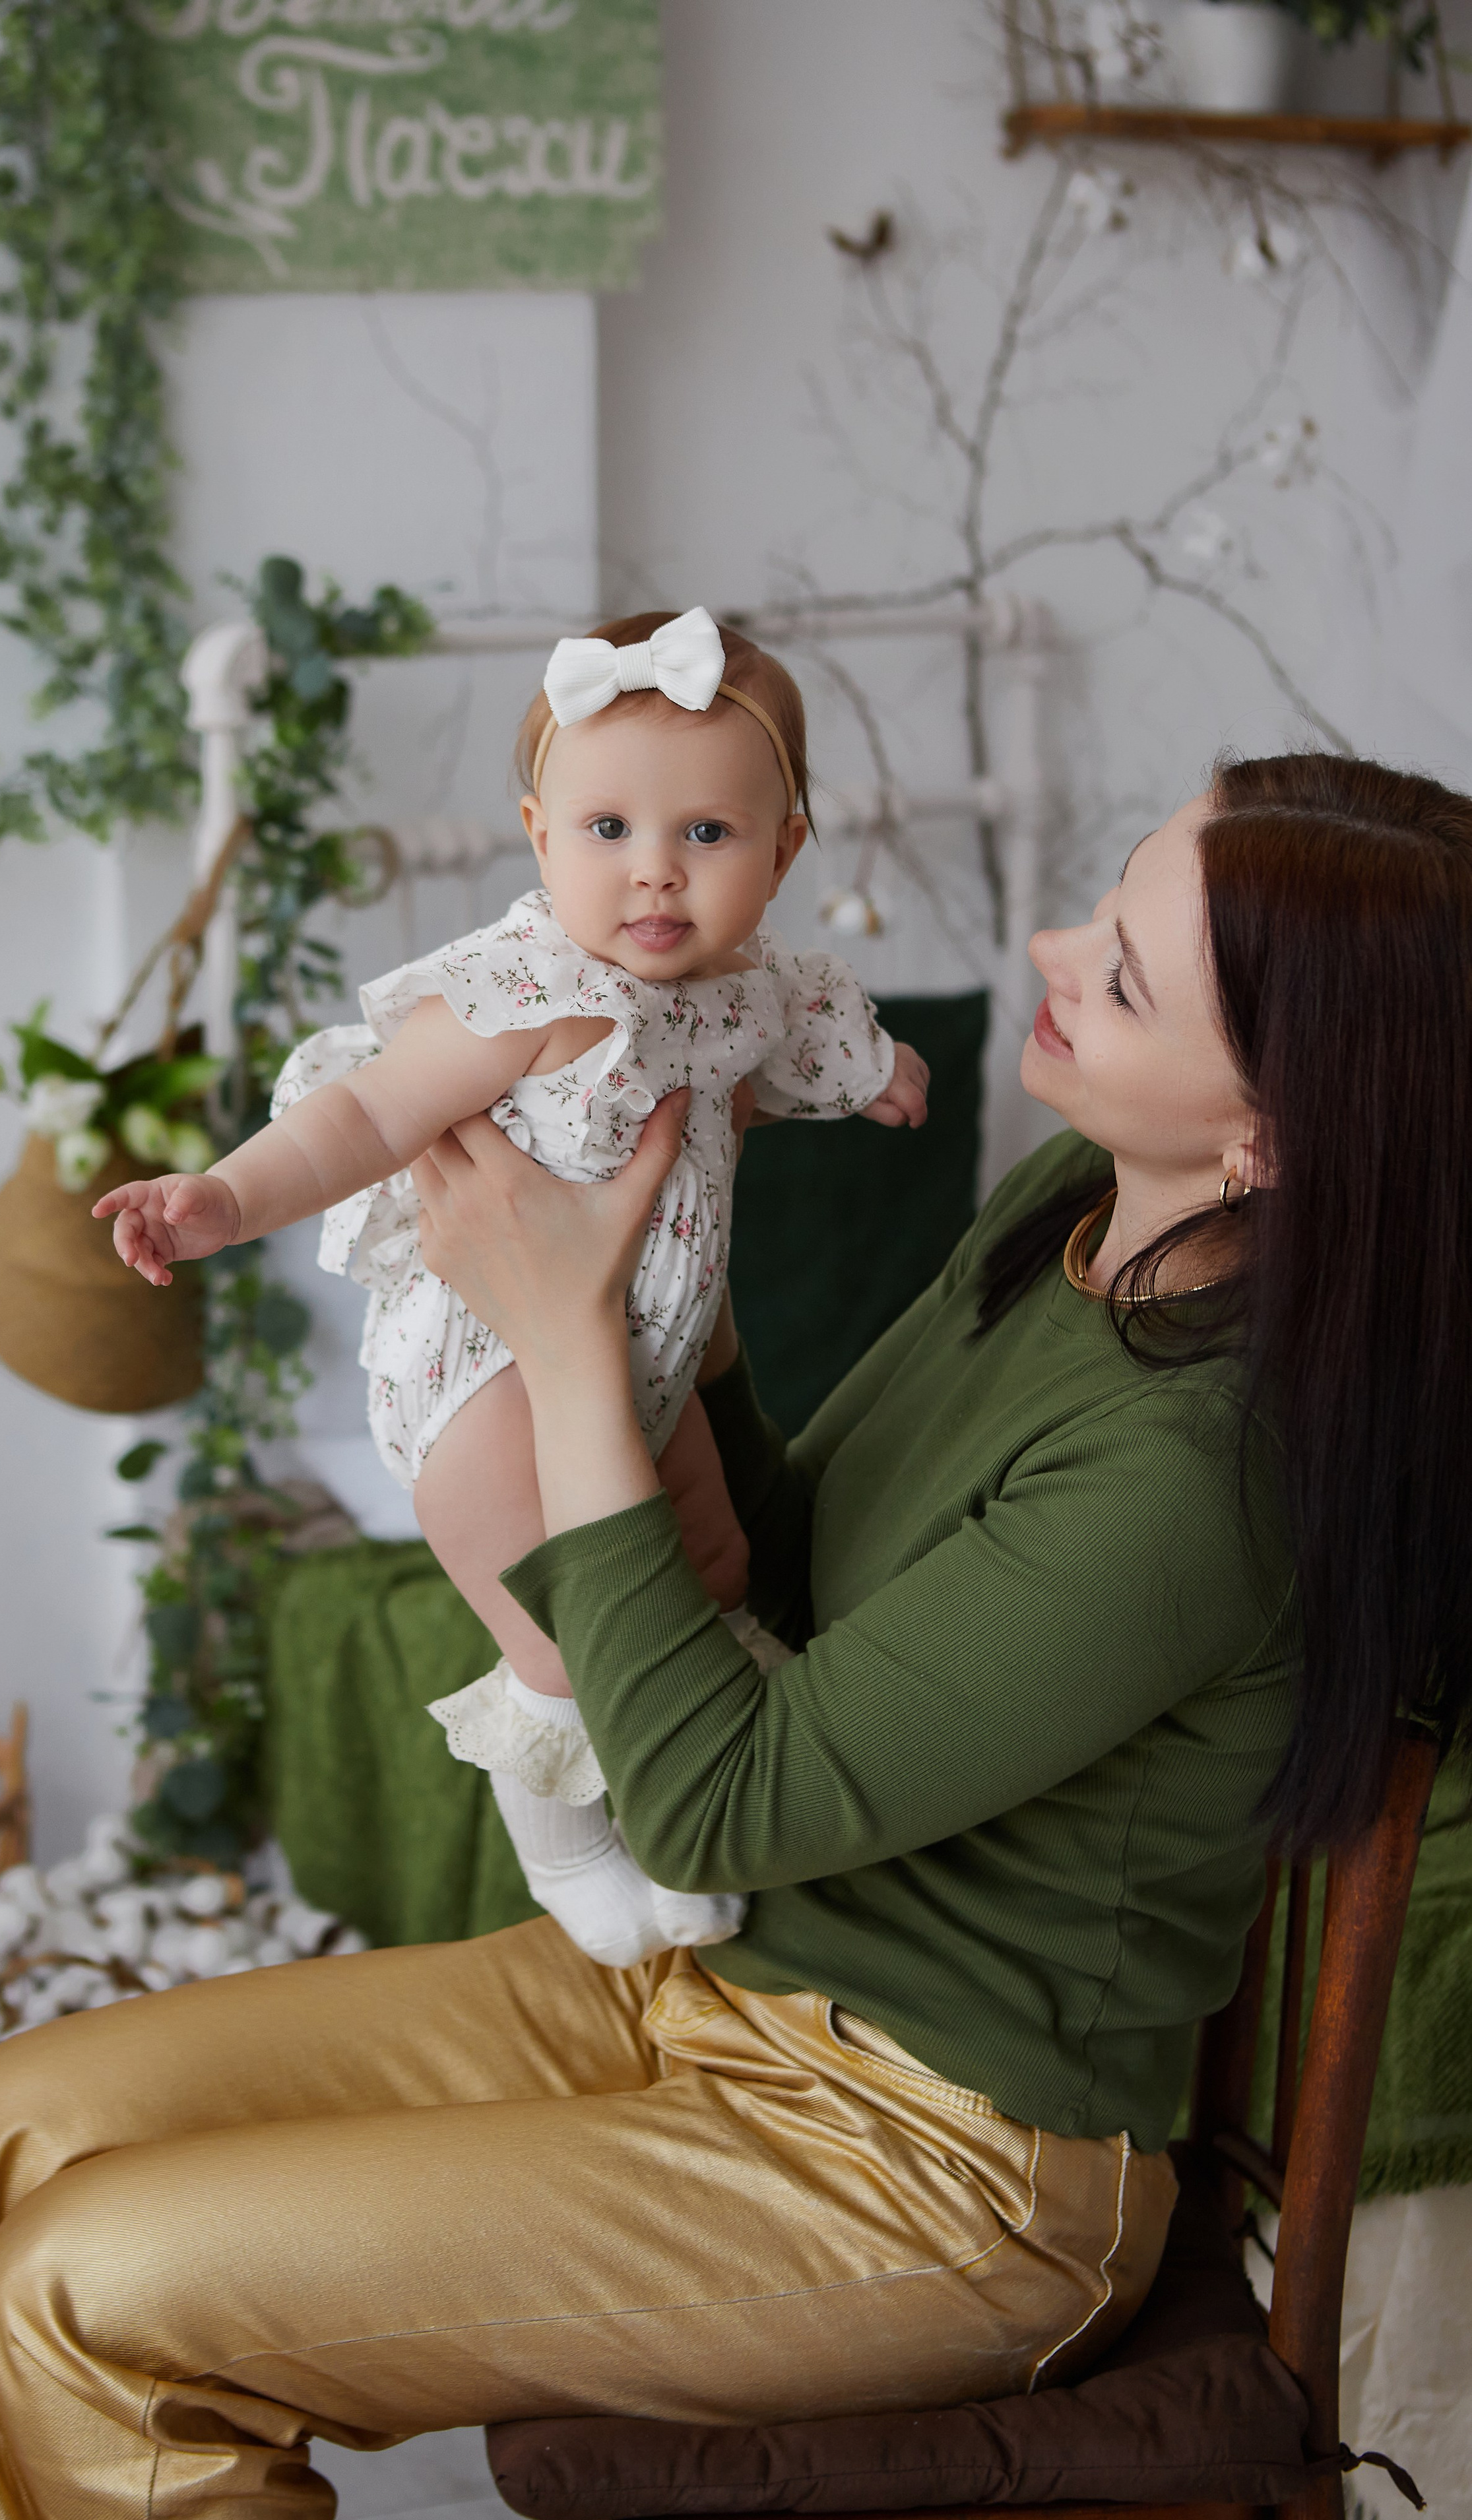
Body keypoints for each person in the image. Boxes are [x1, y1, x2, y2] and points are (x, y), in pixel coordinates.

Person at [0, 754, 1472, 2520]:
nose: (1047, 943)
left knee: (84, 2297)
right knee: (2, 2135)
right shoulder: (1063, 1222)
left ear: (1268, 1134)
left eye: (1117, 973)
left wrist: (565, 1342)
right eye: (1106, 903)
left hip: (930, 2167)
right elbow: (791, 1568)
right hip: (719, 1985)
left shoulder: (1196, 1475)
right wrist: (667, 1303)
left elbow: (716, 1804)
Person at [93, 607, 926, 1970]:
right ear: (539, 838)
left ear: (782, 852)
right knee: (561, 1623)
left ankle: (687, 1788)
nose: (653, 877)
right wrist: (222, 1200)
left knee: (710, 1566)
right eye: (608, 833)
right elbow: (360, 1121)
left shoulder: (749, 992)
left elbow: (796, 1051)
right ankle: (566, 1852)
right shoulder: (523, 993)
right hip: (478, 1363)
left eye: (704, 837)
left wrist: (872, 1073)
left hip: (639, 1358)